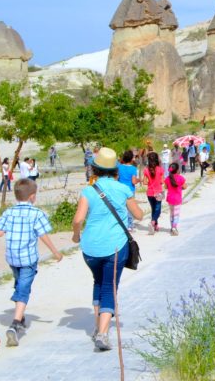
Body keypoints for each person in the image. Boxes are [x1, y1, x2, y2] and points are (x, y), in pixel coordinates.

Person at [71, 147, 144, 352]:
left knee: (98, 282)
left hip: (90, 248)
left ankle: (97, 326)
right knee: (109, 287)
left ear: (95, 169)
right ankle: (102, 334)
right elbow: (138, 215)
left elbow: (77, 220)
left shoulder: (88, 190)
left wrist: (76, 235)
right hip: (115, 246)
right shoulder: (123, 189)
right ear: (116, 171)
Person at [0, 178, 63, 346]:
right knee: (24, 289)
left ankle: (21, 314)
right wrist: (55, 252)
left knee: (20, 283)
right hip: (28, 258)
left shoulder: (9, 212)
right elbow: (43, 235)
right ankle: (15, 325)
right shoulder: (36, 213)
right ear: (32, 196)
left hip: (12, 257)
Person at [142, 152, 165, 235]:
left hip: (150, 193)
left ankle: (155, 225)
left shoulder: (146, 170)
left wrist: (150, 181)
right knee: (158, 210)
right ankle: (153, 222)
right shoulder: (160, 169)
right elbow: (162, 181)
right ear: (157, 159)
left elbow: (144, 182)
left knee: (153, 209)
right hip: (158, 192)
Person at [164, 163, 186, 235]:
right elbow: (185, 187)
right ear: (177, 170)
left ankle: (171, 227)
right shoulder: (181, 178)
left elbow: (165, 187)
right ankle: (174, 227)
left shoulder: (167, 178)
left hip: (170, 198)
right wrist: (180, 187)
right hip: (177, 199)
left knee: (171, 213)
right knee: (176, 214)